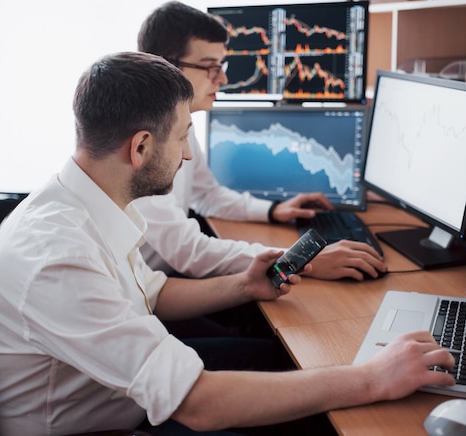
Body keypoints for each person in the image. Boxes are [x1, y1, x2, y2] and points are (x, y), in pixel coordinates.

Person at [0, 52, 455, 435]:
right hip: (103, 425)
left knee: (279, 362)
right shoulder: (58, 257)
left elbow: (153, 293)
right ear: (140, 147)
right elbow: (199, 405)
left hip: (119, 394)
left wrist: (244, 287)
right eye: (182, 138)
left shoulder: (85, 201)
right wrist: (374, 378)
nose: (186, 154)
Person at [134, 1, 387, 281]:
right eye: (211, 67)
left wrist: (273, 210)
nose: (224, 78)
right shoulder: (142, 144)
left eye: (222, 65)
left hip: (165, 281)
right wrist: (299, 259)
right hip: (149, 297)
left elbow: (207, 195)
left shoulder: (180, 123)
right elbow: (188, 251)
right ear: (168, 66)